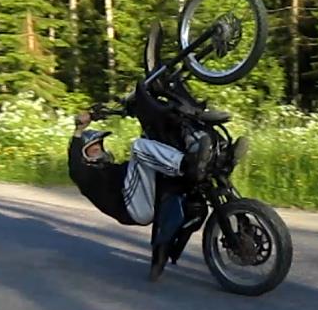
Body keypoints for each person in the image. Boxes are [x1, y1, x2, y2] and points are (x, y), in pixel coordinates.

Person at [68, 110, 212, 281]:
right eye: (93, 150)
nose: (99, 150)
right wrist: (78, 131)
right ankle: (186, 165)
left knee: (149, 148)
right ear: (83, 156)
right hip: (131, 207)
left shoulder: (110, 168)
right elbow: (74, 167)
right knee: (139, 147)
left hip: (137, 200)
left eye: (100, 147)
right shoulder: (87, 177)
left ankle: (203, 157)